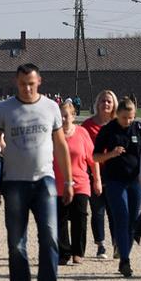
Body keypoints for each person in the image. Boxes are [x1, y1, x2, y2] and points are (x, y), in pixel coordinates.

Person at [0, 64, 72, 281]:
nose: (27, 88)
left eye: (31, 83)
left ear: (39, 82)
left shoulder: (51, 108)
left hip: (44, 180)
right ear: (16, 82)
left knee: (50, 237)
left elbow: (61, 146)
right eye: (23, 83)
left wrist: (67, 181)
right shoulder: (4, 109)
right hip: (14, 182)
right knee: (16, 243)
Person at [93, 97, 141, 278]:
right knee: (122, 217)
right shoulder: (108, 130)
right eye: (124, 118)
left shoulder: (140, 129)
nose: (128, 121)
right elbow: (95, 157)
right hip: (115, 181)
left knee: (134, 220)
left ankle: (125, 252)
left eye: (131, 117)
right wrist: (111, 153)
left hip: (135, 181)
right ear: (117, 115)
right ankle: (125, 260)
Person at [53, 102, 100, 265]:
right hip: (58, 183)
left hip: (80, 182)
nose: (64, 119)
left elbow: (93, 160)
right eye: (61, 116)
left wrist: (97, 180)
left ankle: (78, 252)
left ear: (73, 116)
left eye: (67, 115)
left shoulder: (82, 133)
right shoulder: (53, 135)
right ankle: (63, 252)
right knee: (60, 218)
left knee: (80, 216)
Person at [82, 90, 119, 259]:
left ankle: (117, 244)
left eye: (109, 101)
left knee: (114, 209)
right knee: (97, 209)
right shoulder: (88, 126)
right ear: (97, 104)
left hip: (114, 172)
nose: (106, 104)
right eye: (103, 101)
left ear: (114, 105)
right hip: (93, 171)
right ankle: (101, 244)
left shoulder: (118, 124)